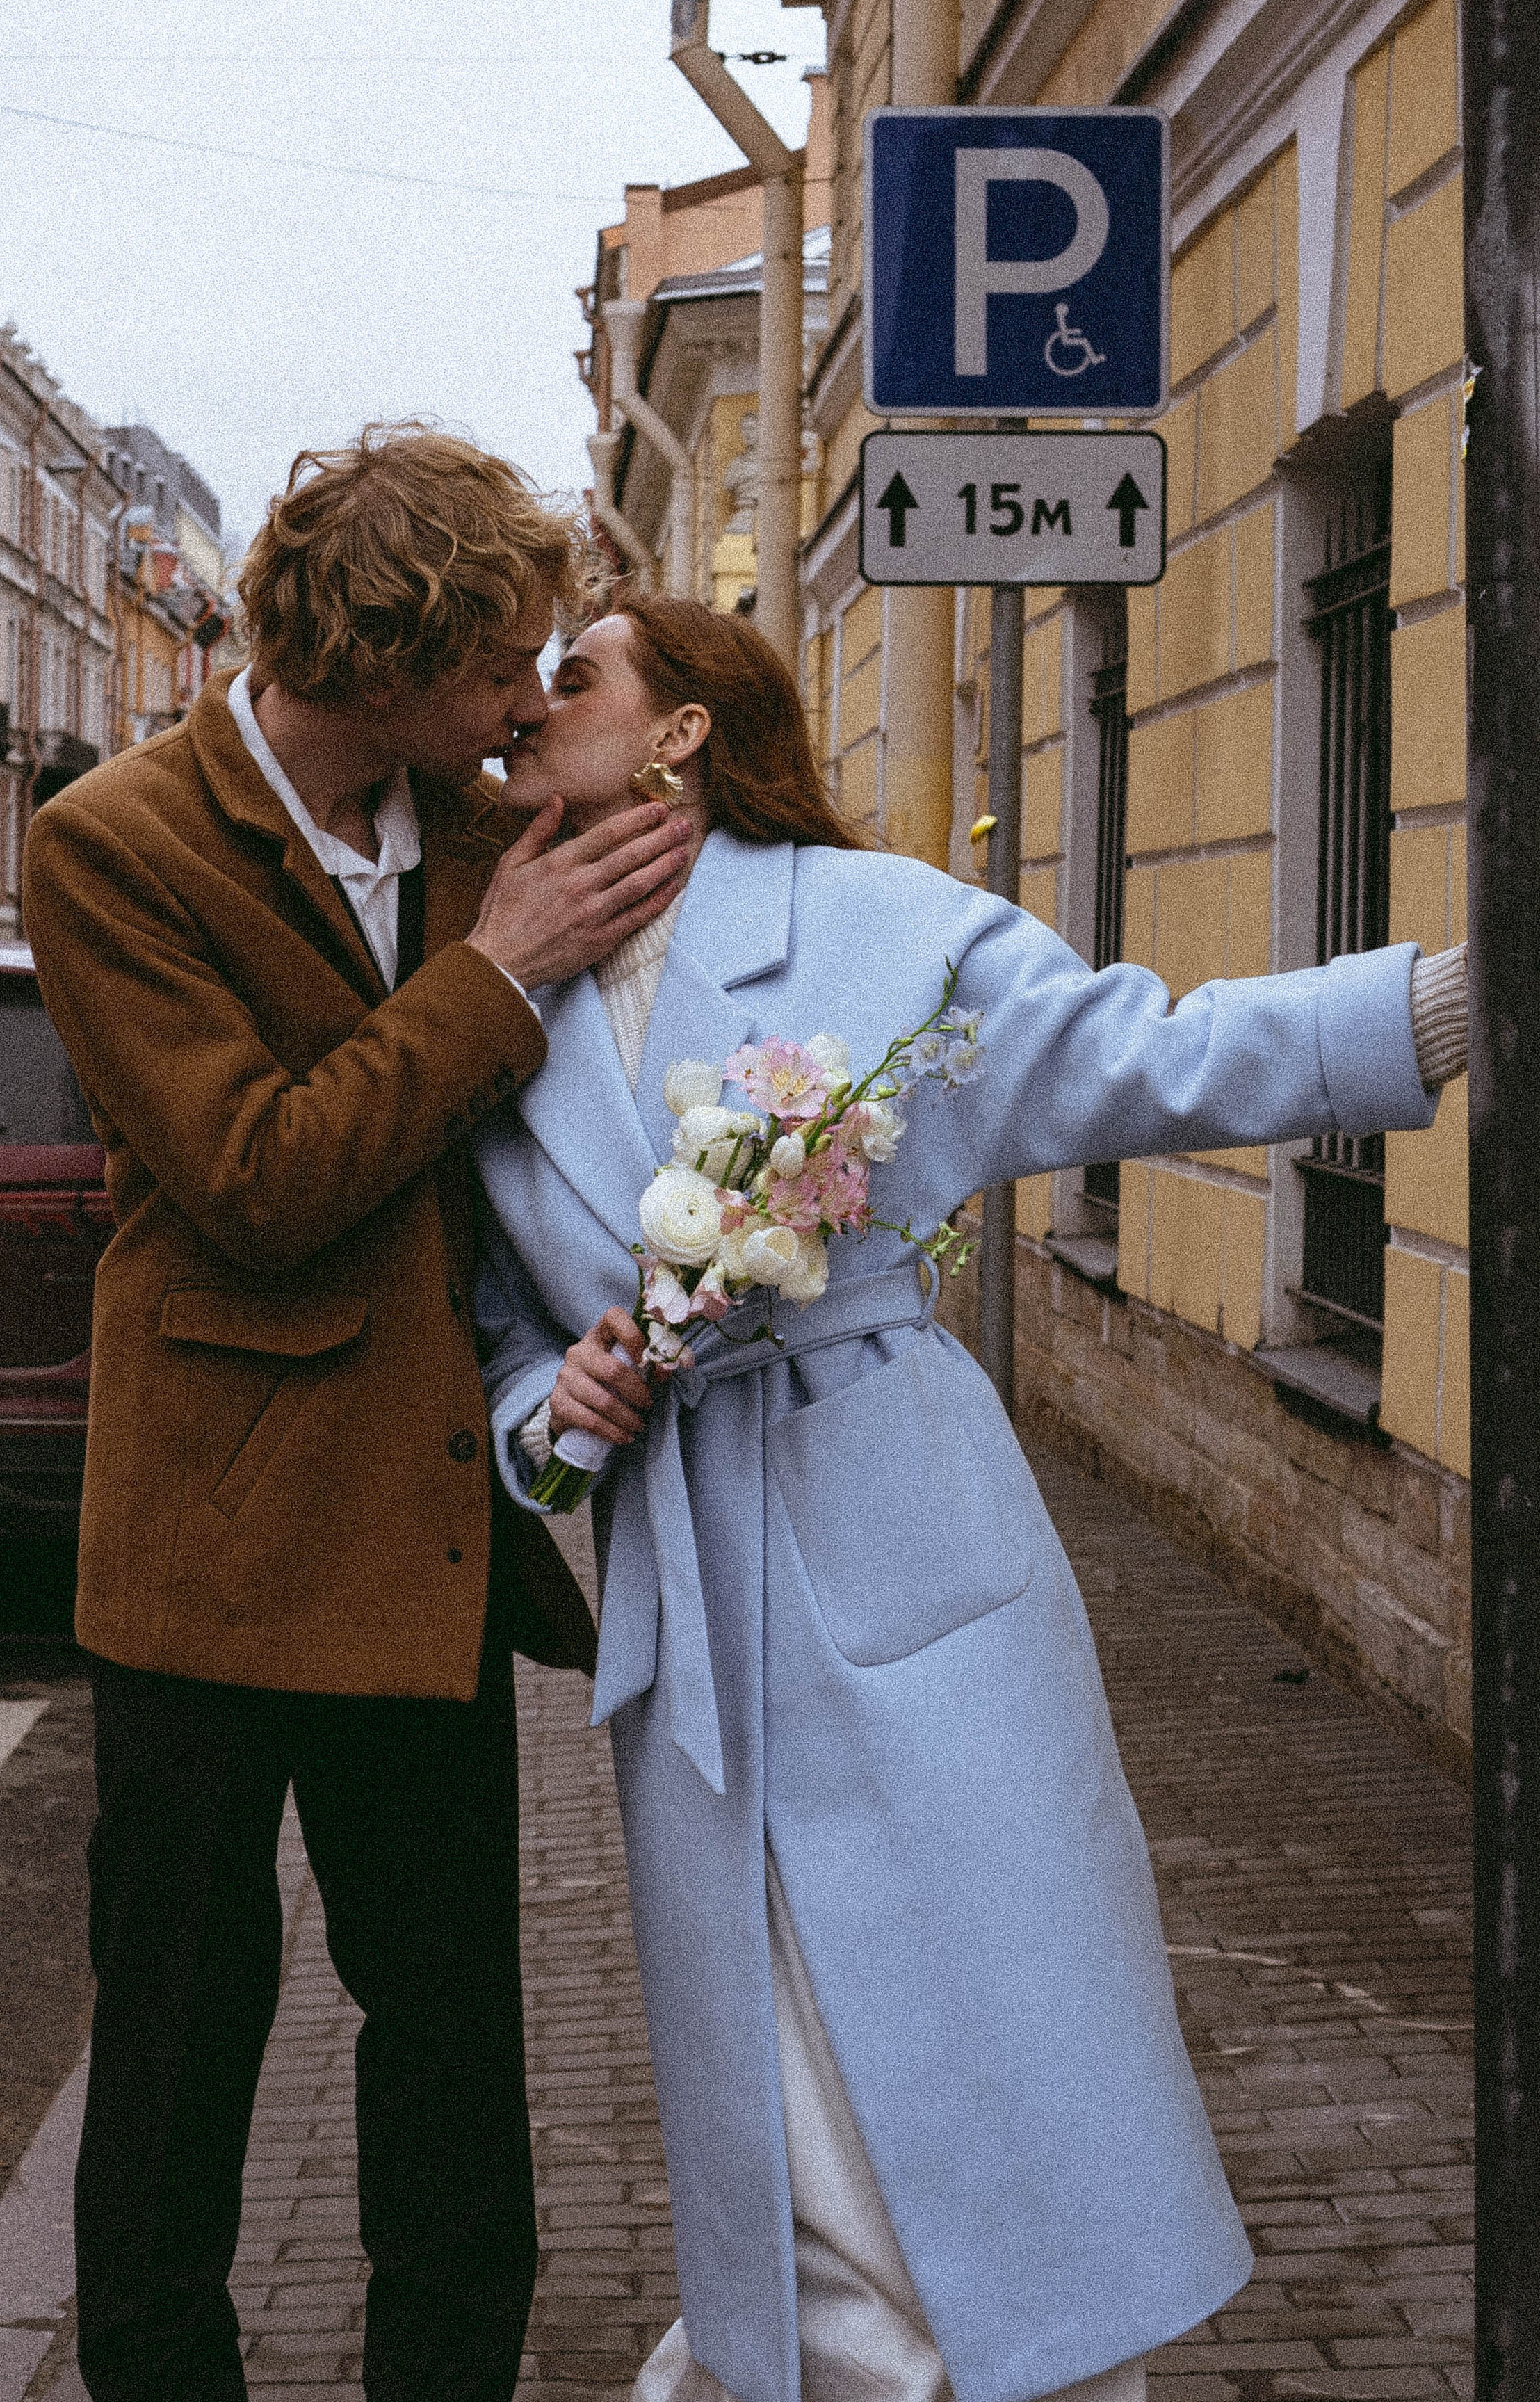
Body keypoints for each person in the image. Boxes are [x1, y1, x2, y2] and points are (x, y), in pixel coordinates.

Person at [472, 591, 1469, 2402]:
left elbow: (1150, 1057)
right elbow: (494, 1360)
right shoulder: (496, 999)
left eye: (579, 677)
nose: (532, 709)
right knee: (784, 2096)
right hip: (685, 1603)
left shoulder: (872, 929)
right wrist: (571, 1404)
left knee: (989, 2044)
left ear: (688, 727)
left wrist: (1442, 1004)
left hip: (901, 1540)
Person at [20, 428, 695, 2402]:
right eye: (507, 664)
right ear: (393, 657)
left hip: (424, 1543)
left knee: (457, 2081)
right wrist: (495, 976)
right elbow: (254, 1175)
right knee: (173, 2074)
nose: (526, 705)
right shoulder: (115, 844)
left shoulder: (486, 830)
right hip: (209, 1565)